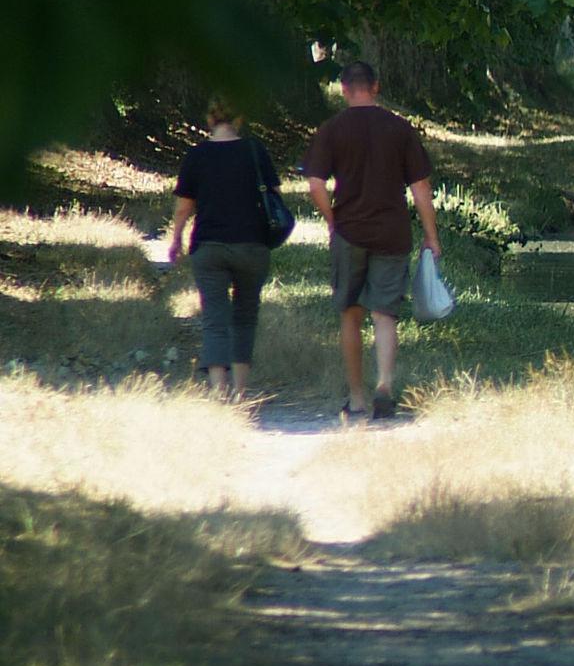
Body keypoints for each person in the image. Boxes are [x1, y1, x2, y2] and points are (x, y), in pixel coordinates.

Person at [302, 60, 441, 423]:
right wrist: (431, 236)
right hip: (392, 233)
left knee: (351, 314)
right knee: (385, 315)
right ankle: (384, 386)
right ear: (375, 87)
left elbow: (315, 185)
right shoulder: (399, 128)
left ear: (344, 89)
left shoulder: (331, 129)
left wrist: (334, 221)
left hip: (350, 232)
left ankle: (357, 398)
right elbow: (421, 188)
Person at [166, 100, 283, 402]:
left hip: (209, 247)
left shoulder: (197, 155)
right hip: (252, 245)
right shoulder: (256, 152)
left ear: (209, 117)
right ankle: (241, 392)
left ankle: (219, 393)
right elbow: (275, 197)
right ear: (240, 118)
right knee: (245, 315)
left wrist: (176, 239)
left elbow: (183, 208)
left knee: (215, 318)